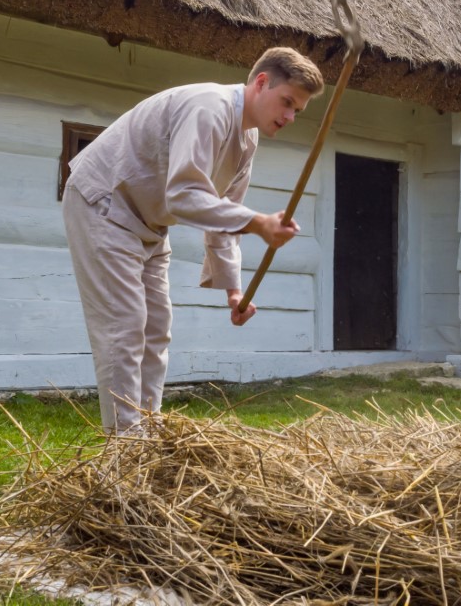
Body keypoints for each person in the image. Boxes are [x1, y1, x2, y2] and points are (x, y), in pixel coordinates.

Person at [62, 48, 324, 434]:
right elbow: (183, 195)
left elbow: (222, 215)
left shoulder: (247, 140)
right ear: (262, 82)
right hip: (104, 203)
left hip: (150, 225)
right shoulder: (210, 107)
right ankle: (127, 450)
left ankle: (148, 437)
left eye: (297, 111)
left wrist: (234, 292)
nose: (289, 117)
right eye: (287, 102)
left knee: (156, 329)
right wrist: (257, 222)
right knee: (125, 326)